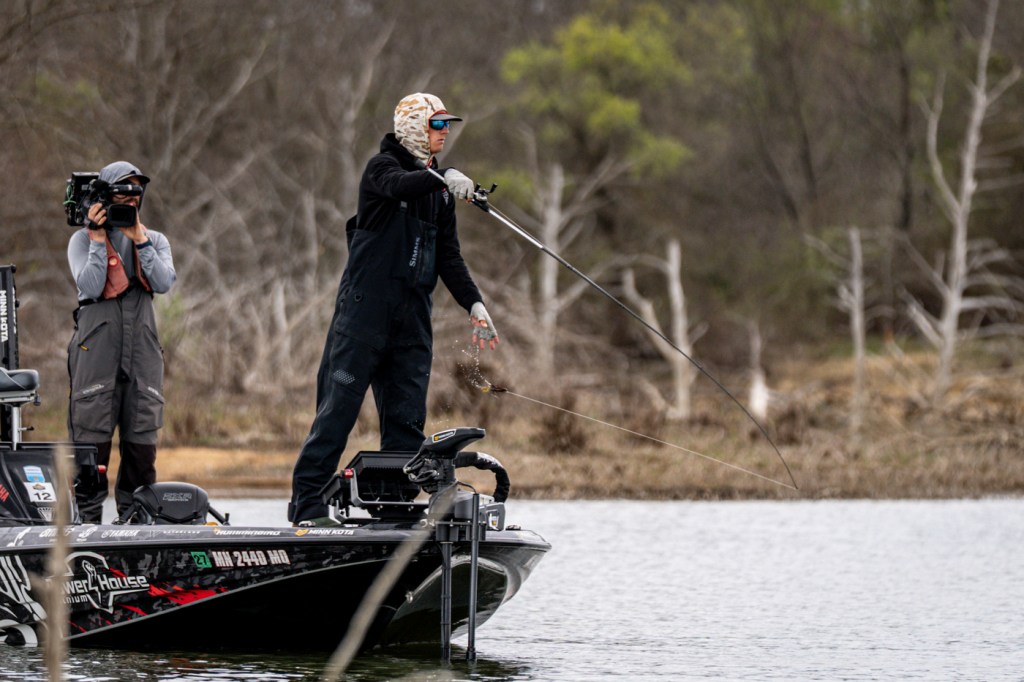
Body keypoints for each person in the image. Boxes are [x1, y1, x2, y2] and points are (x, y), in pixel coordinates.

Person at [288, 93, 499, 525]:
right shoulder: (382, 169)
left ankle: (394, 513)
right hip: (363, 319)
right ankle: (307, 507)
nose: (445, 132)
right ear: (414, 127)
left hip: (412, 323)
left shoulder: (439, 195)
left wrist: (474, 303)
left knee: (406, 425)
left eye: (447, 125)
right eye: (438, 124)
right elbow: (402, 185)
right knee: (336, 415)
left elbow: (449, 258)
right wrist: (445, 178)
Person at [66, 160, 176, 523]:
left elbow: (163, 282)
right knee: (90, 448)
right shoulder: (81, 240)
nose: (130, 199)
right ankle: (85, 526)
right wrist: (99, 241)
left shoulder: (155, 240)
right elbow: (90, 286)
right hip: (96, 354)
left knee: (142, 450)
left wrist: (140, 240)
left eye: (135, 192)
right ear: (104, 196)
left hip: (143, 354)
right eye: (122, 192)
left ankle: (135, 524)